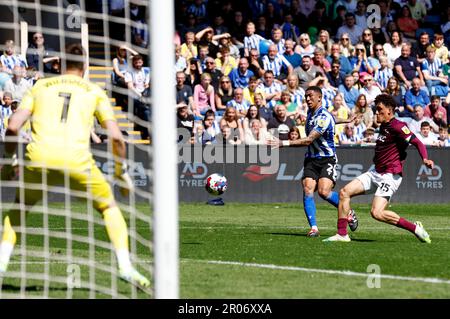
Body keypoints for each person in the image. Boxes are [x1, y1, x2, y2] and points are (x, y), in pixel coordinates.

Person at [0, 43, 150, 288]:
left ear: (59, 65)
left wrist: (9, 162)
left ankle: (2, 265)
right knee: (109, 207)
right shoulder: (94, 91)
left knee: (20, 206)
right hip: (77, 161)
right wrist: (121, 174)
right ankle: (124, 266)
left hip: (39, 158)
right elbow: (116, 137)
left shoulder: (39, 86)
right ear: (86, 66)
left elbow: (13, 126)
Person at [324, 94, 433, 243]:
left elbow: (418, 143)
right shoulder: (384, 125)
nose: (376, 112)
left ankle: (415, 228)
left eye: (379, 109)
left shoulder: (399, 126)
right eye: (376, 109)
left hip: (390, 175)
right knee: (344, 193)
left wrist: (425, 158)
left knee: (377, 213)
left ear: (389, 110)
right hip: (375, 172)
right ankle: (342, 234)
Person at [269, 86, 358, 237]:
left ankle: (348, 211)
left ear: (319, 98)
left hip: (327, 159)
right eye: (306, 96)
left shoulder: (323, 117)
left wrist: (283, 143)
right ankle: (314, 228)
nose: (307, 99)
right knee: (308, 189)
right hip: (311, 158)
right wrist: (346, 120)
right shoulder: (312, 113)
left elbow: (309, 139)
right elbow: (333, 118)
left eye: (310, 96)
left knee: (324, 192)